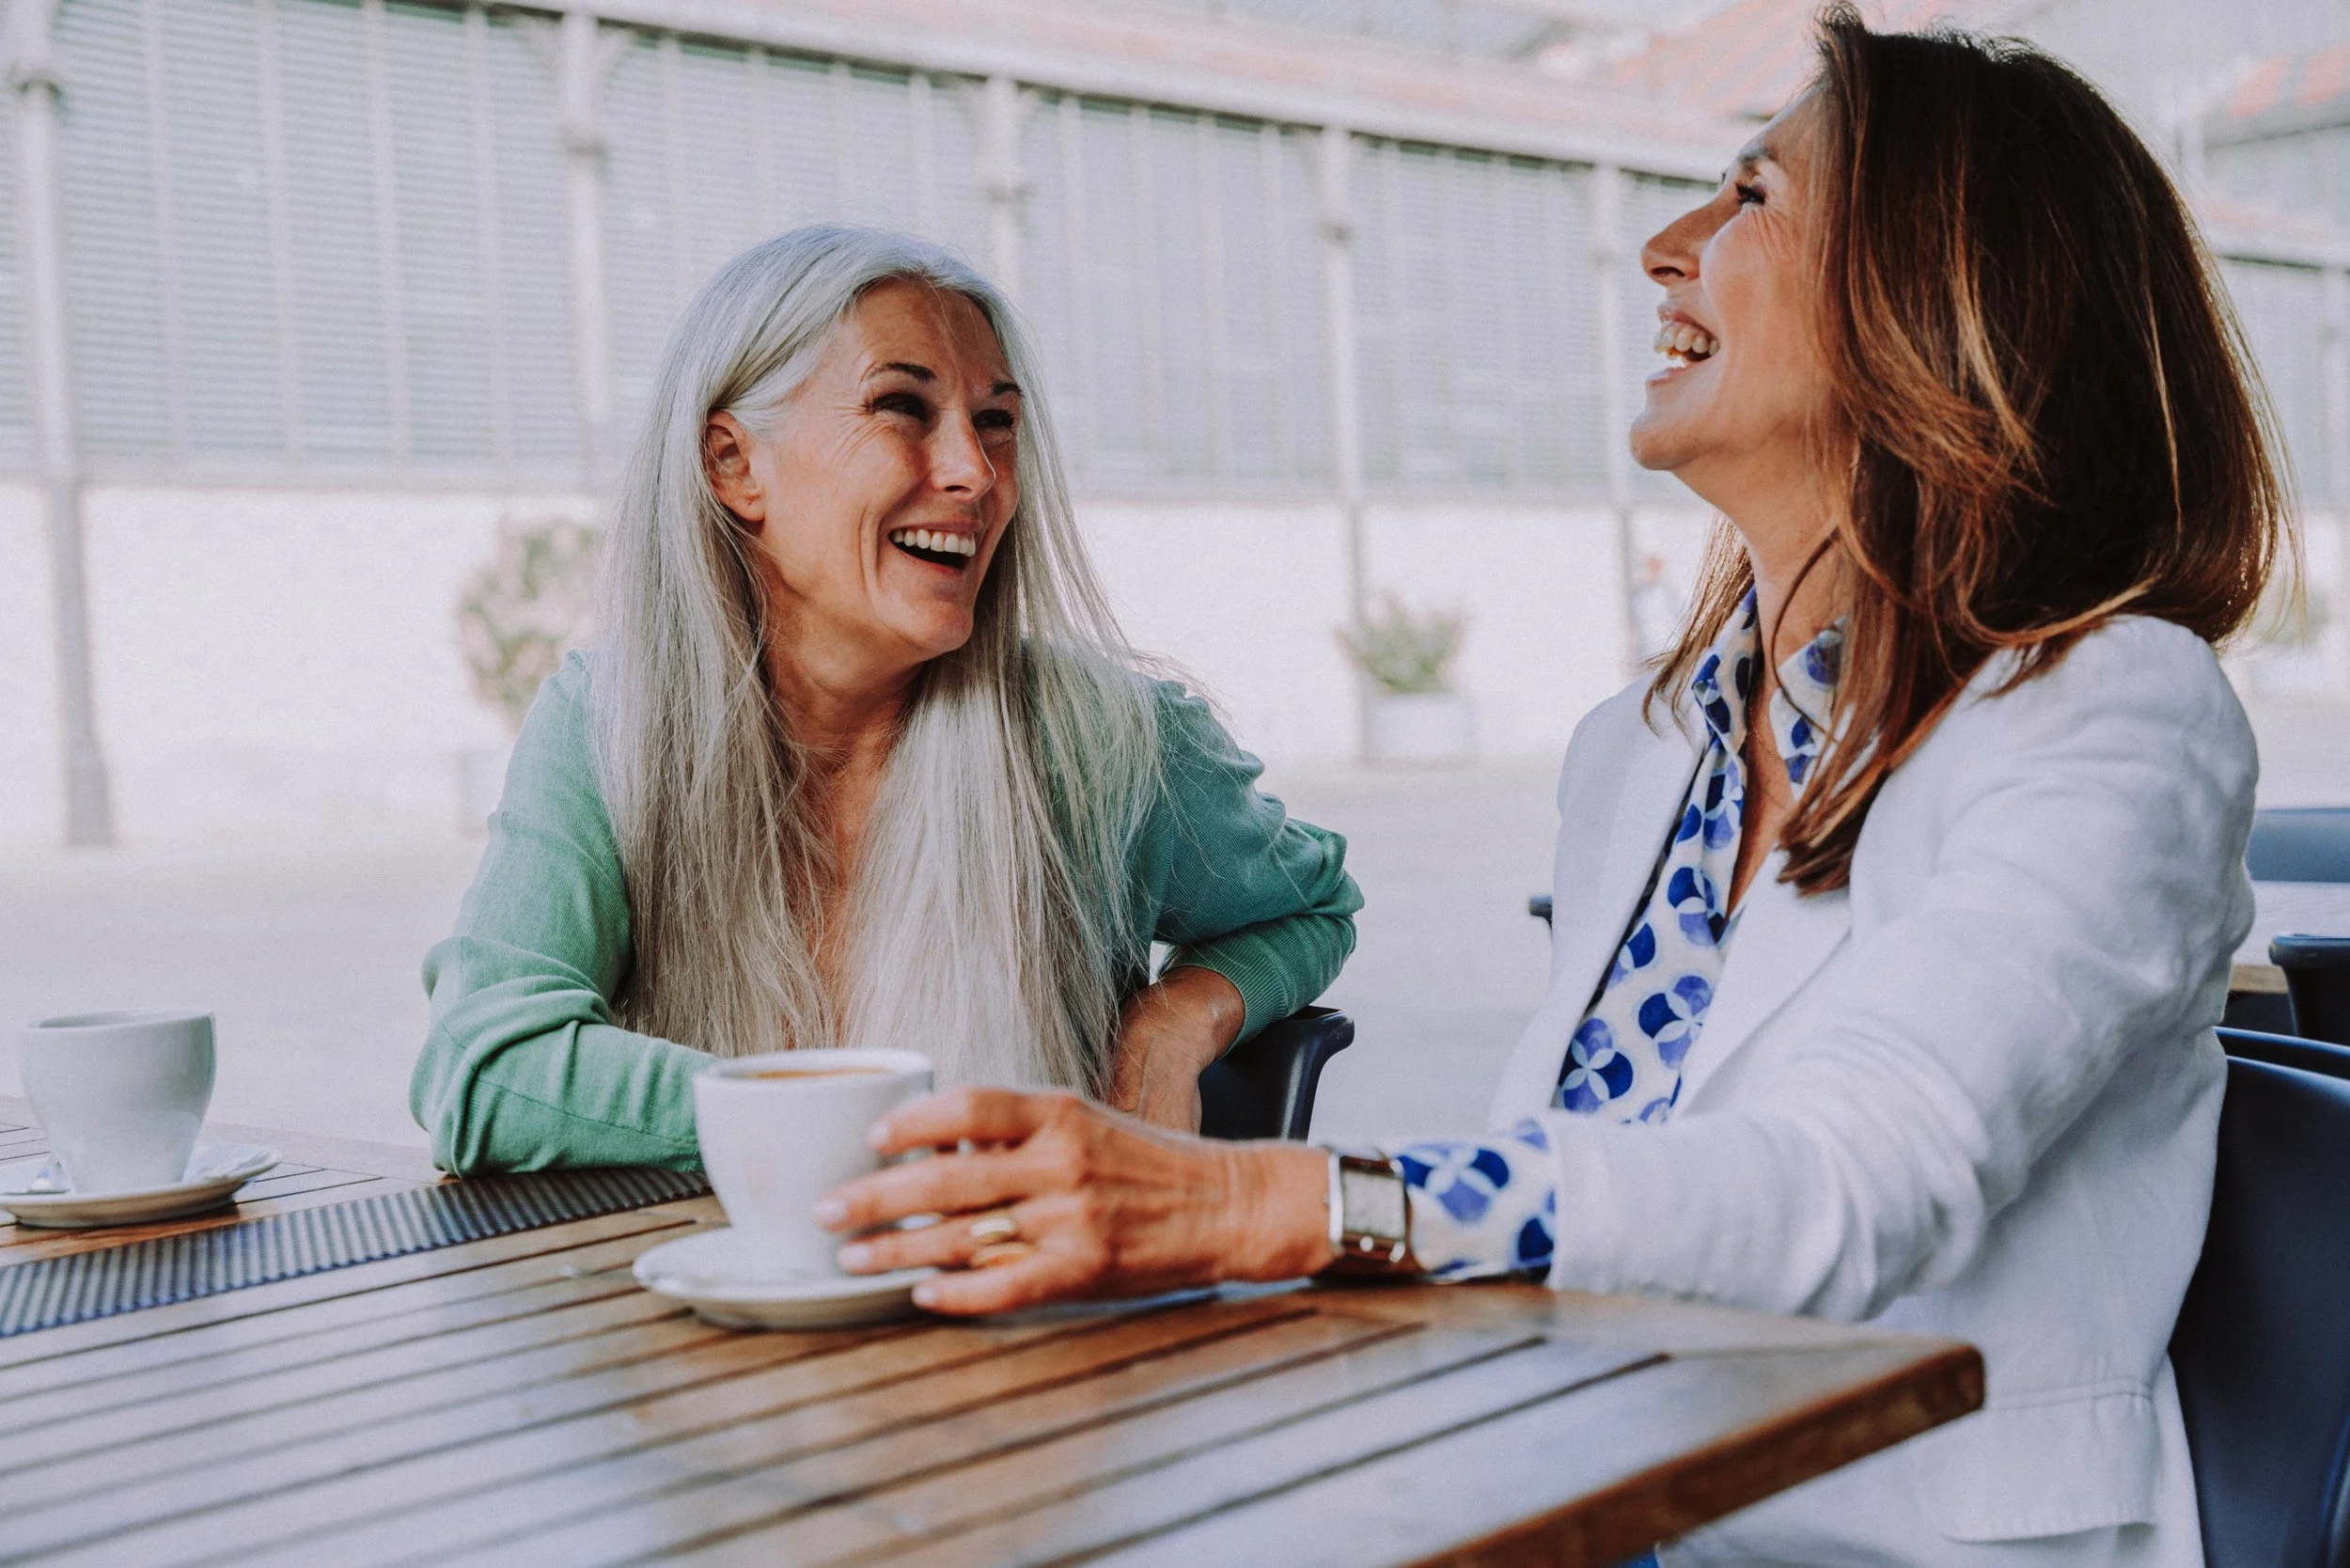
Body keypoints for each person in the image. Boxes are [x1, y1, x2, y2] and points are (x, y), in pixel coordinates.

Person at [817, 13, 2283, 1564]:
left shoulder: (2114, 710)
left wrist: (1256, 1203)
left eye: (1753, 199)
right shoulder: (1645, 752)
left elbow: (1853, 1184)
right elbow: (1580, 1187)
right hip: (1578, 1498)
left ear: (1941, 295)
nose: (1666, 247)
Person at [414, 226, 1360, 1173]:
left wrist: (1175, 1019)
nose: (974, 474)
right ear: (732, 466)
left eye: (996, 423)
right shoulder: (607, 723)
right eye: (902, 407)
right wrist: (837, 1128)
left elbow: (1311, 904)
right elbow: (485, 1067)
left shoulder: (1104, 738)